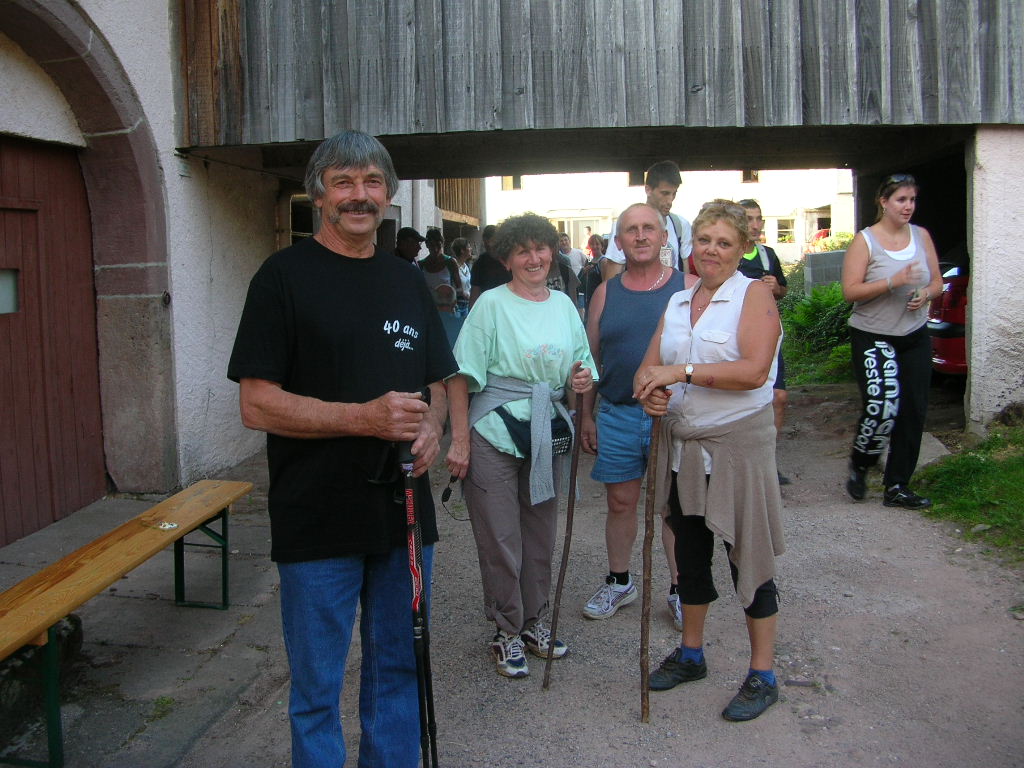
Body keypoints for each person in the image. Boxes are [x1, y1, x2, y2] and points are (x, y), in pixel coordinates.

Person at [227, 130, 456, 767]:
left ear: (388, 195)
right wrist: (363, 418)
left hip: (403, 518)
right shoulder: (282, 278)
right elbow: (256, 403)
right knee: (317, 689)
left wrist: (435, 425)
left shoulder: (407, 281)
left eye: (373, 182)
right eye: (345, 181)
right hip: (316, 515)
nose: (360, 195)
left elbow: (436, 382)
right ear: (319, 194)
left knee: (398, 673)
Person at [634, 200, 785, 722]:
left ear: (742, 248)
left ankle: (763, 673)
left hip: (738, 446)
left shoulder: (755, 295)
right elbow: (648, 368)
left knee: (750, 557)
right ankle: (692, 654)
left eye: (724, 242)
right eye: (705, 241)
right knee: (690, 555)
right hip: (682, 448)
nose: (713, 251)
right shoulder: (678, 303)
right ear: (691, 246)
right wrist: (651, 390)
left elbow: (753, 371)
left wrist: (682, 374)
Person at [445, 212, 596, 679]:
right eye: (522, 251)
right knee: (501, 538)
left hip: (544, 431)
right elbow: (460, 375)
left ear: (552, 251)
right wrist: (460, 441)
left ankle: (533, 623)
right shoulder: (491, 304)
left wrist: (580, 379)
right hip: (493, 430)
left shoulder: (565, 306)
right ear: (507, 257)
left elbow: (584, 368)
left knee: (539, 536)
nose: (534, 258)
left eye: (541, 248)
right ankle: (507, 630)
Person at [580, 203, 697, 630]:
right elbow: (590, 361)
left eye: (650, 228)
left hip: (673, 415)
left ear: (665, 237)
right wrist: (586, 416)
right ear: (620, 240)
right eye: (631, 230)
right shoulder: (605, 293)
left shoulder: (690, 288)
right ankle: (619, 580)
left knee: (674, 506)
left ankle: (681, 588)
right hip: (617, 412)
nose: (641, 236)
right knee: (620, 501)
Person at [841, 173, 942, 509]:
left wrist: (925, 293)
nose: (908, 207)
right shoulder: (865, 241)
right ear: (884, 202)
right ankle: (861, 464)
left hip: (913, 335)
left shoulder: (921, 236)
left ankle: (897, 486)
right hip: (873, 335)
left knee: (913, 410)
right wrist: (893, 281)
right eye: (901, 200)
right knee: (882, 405)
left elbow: (938, 283)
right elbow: (850, 292)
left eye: (912, 200)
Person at [737, 199, 791, 485]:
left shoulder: (768, 255)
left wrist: (776, 288)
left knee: (778, 397)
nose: (756, 225)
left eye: (759, 219)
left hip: (768, 334)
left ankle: (767, 461)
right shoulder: (728, 254)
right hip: (735, 336)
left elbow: (782, 289)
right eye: (749, 218)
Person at [602, 161, 692, 281]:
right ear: (648, 190)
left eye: (673, 194)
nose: (670, 200)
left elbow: (685, 272)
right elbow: (611, 279)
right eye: (665, 193)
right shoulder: (625, 224)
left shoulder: (681, 225)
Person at [419, 228, 463, 308]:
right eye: (432, 245)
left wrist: (453, 302)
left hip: (447, 308)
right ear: (427, 245)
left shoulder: (450, 262)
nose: (435, 249)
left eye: (438, 245)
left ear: (442, 244)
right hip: (428, 308)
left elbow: (459, 288)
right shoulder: (421, 264)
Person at [469, 224, 510, 306]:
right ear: (486, 240)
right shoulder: (480, 263)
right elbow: (474, 294)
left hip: (510, 304)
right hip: (490, 306)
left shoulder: (510, 259)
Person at [579, 232, 605, 316]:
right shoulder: (589, 260)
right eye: (592, 244)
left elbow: (605, 283)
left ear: (602, 246)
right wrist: (584, 271)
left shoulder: (604, 261)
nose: (594, 246)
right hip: (588, 297)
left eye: (597, 244)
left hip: (598, 298)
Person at [451, 236, 473, 318]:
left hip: (466, 305)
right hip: (456, 306)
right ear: (462, 250)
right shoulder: (453, 266)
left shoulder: (465, 266)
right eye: (468, 247)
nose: (471, 248)